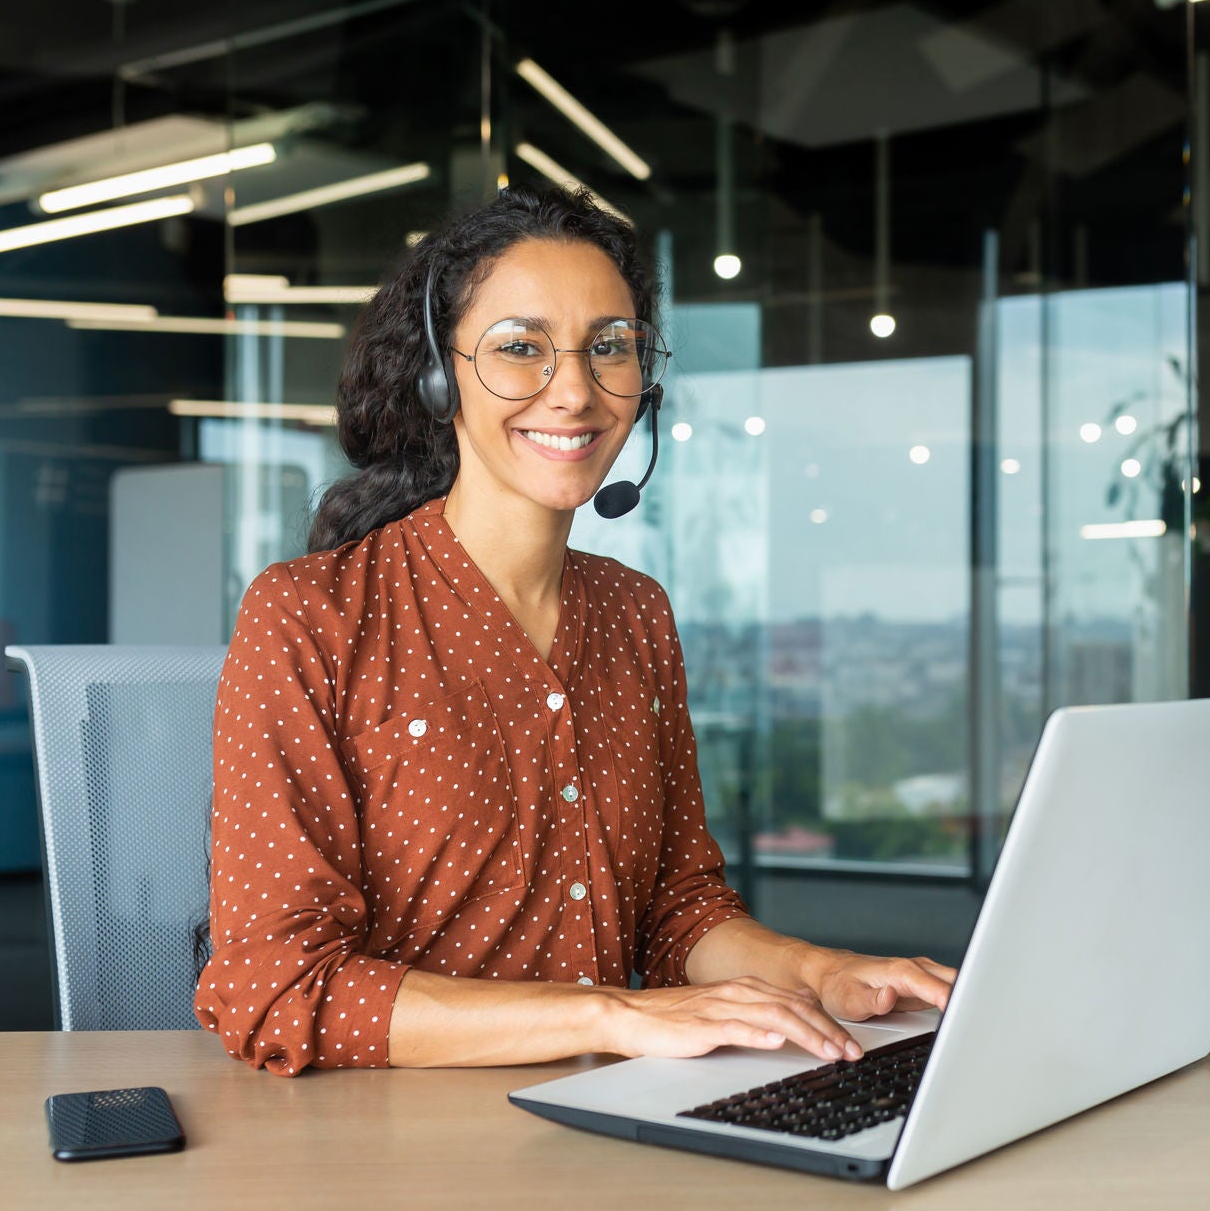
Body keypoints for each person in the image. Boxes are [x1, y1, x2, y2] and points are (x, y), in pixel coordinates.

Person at [194, 184, 955, 1075]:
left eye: (610, 348)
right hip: (385, 1149)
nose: (575, 392)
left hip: (602, 1123)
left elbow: (680, 912)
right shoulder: (309, 614)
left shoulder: (635, 614)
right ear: (442, 374)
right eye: (522, 349)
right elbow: (277, 988)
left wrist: (823, 971)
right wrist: (611, 1016)